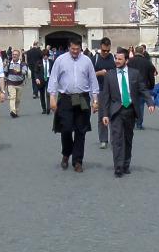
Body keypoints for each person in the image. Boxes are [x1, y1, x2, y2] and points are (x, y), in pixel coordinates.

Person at [47, 38, 99, 172]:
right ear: (69, 48)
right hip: (66, 98)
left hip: (82, 97)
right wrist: (52, 97)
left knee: (81, 130)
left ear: (81, 48)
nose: (75, 52)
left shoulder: (87, 60)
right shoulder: (60, 60)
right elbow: (53, 79)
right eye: (73, 49)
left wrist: (95, 99)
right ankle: (66, 153)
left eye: (77, 49)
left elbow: (93, 80)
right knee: (66, 128)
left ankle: (77, 161)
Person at [100, 47, 142, 177]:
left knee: (128, 139)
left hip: (130, 110)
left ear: (126, 60)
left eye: (120, 59)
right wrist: (105, 114)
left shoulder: (135, 73)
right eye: (116, 58)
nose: (117, 61)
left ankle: (125, 164)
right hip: (116, 111)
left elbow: (142, 89)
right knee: (117, 139)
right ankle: (118, 166)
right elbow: (105, 96)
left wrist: (151, 103)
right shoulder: (109, 75)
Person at [91, 38, 117, 149]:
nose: (106, 53)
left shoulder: (113, 58)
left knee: (115, 115)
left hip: (113, 91)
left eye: (108, 50)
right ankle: (103, 139)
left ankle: (115, 138)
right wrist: (99, 73)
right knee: (102, 115)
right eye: (104, 50)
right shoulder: (95, 59)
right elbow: (89, 75)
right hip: (100, 90)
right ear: (100, 47)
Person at [4, 48, 27, 118]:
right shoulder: (9, 63)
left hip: (19, 84)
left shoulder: (22, 64)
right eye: (13, 54)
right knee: (12, 97)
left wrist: (19, 71)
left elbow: (25, 71)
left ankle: (16, 111)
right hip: (10, 83)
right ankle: (13, 111)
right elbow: (5, 72)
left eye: (16, 55)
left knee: (18, 99)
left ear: (19, 56)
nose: (14, 56)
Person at [25, 42, 47, 114]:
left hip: (31, 67)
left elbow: (27, 60)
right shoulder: (39, 51)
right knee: (38, 80)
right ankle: (37, 91)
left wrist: (29, 66)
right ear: (37, 45)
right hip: (39, 67)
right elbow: (41, 58)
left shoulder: (28, 52)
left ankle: (35, 93)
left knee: (33, 80)